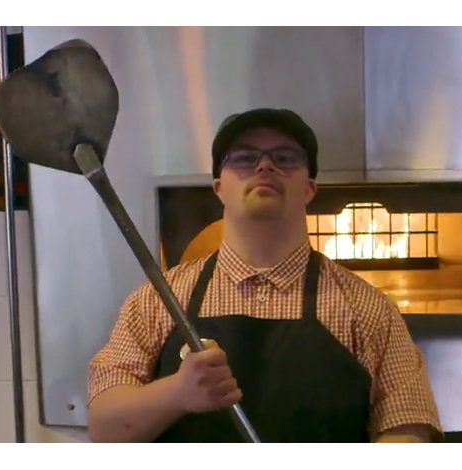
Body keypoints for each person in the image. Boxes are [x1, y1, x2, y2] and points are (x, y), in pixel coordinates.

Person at [86, 108, 442, 443]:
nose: (265, 166)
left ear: (309, 188)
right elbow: (105, 429)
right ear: (218, 187)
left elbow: (406, 427)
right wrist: (177, 394)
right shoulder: (155, 301)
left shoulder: (368, 309)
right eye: (244, 158)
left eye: (285, 158)